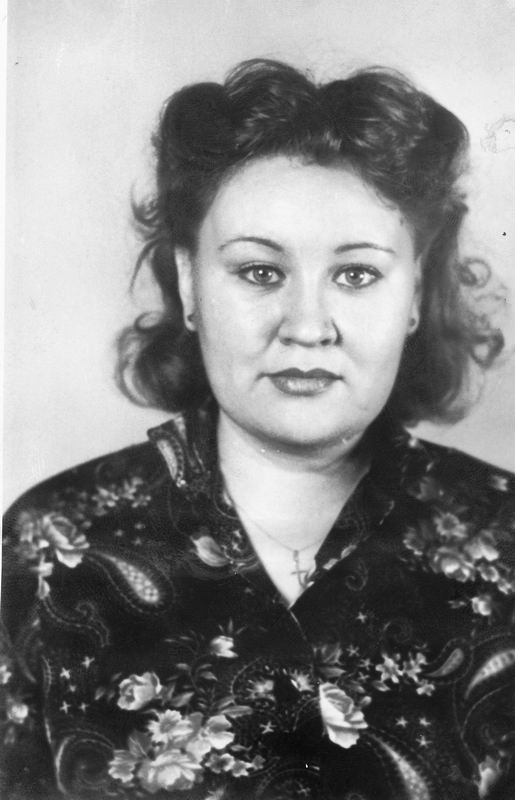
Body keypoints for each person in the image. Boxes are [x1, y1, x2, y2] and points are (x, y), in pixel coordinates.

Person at [2, 58, 514, 800]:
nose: (306, 326)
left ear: (413, 291)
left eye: (356, 274)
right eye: (259, 272)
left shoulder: (506, 538)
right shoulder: (53, 546)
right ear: (189, 281)